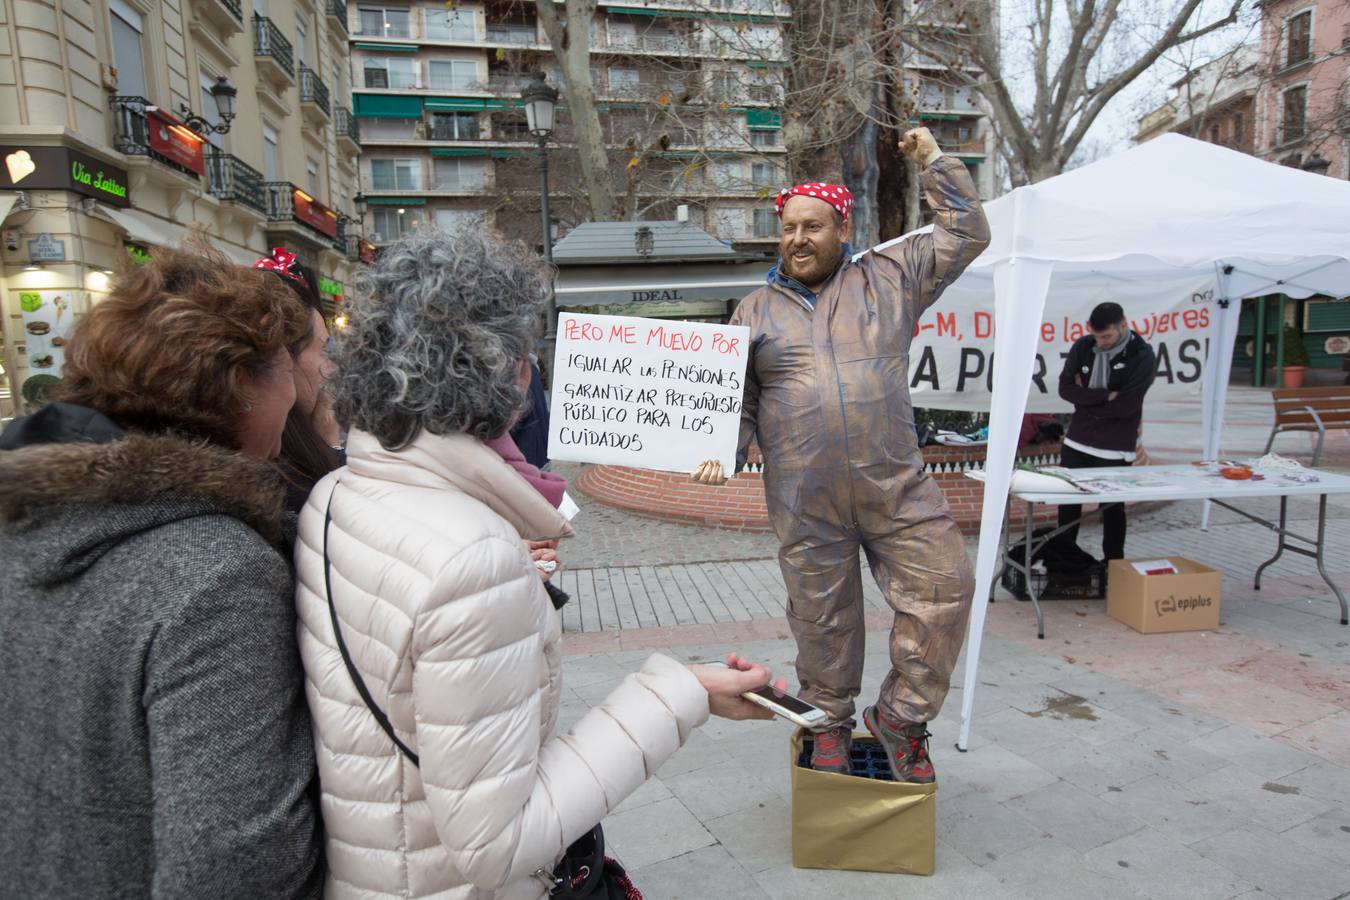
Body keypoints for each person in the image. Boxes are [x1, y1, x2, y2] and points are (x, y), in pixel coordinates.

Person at [293, 229, 784, 899]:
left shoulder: (335, 493)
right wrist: (683, 692)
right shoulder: (471, 557)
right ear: (510, 371)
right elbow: (497, 845)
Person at [0, 245, 324, 896]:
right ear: (241, 383)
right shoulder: (217, 571)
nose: (299, 392)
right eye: (287, 364)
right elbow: (233, 865)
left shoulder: (31, 521)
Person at [692, 127, 991, 783]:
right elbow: (733, 399)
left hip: (897, 489)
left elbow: (967, 234)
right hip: (807, 503)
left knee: (947, 587)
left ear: (841, 228)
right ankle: (827, 720)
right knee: (822, 622)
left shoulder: (890, 278)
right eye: (789, 228)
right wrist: (720, 447)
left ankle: (902, 718)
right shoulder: (753, 310)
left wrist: (935, 162)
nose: (798, 239)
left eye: (812, 227)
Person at [1056, 301, 1157, 560]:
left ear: (1123, 324)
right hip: (1077, 441)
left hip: (1115, 447)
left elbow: (1126, 407)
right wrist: (1104, 395)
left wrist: (1086, 398)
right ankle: (1064, 563)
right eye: (1097, 336)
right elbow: (1065, 389)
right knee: (1068, 504)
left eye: (1107, 336)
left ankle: (1113, 566)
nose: (1101, 342)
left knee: (1112, 508)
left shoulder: (1142, 355)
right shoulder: (1083, 346)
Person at [254, 247, 344, 511]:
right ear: (283, 359)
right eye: (323, 349)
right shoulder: (284, 484)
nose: (332, 367)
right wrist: (332, 446)